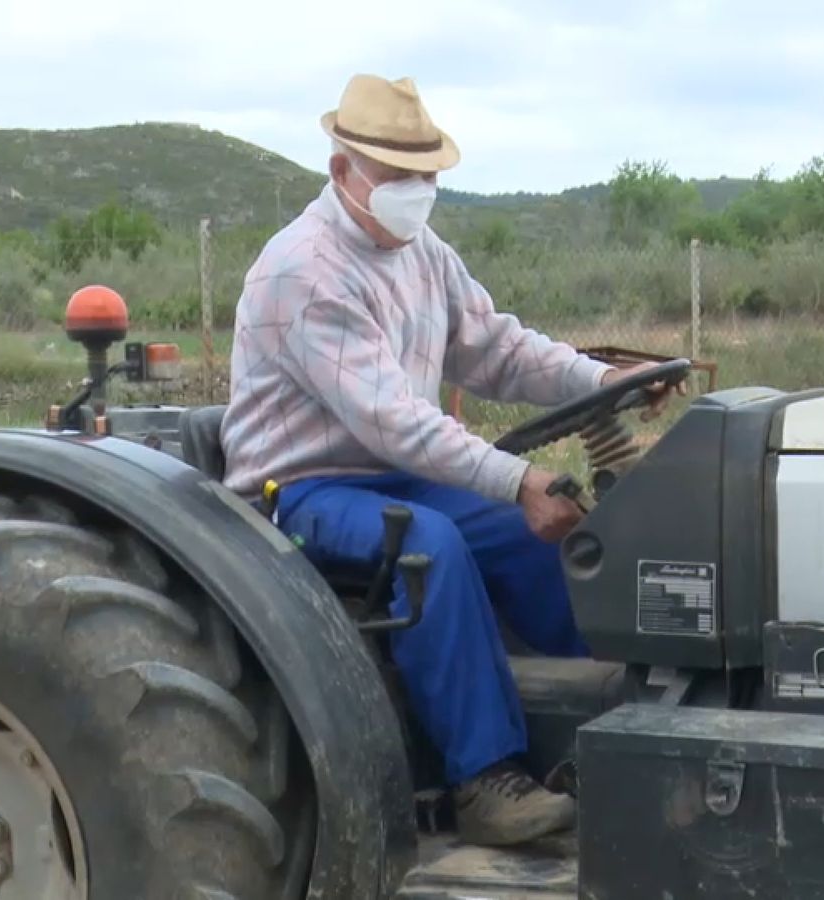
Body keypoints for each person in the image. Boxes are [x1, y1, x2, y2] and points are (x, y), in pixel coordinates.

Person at [220, 73, 679, 847]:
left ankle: (614, 725)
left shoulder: (420, 251)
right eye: (398, 176)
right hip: (302, 487)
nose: (416, 191)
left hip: (390, 471)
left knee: (538, 538)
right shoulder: (303, 271)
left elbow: (498, 349)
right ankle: (484, 778)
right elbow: (393, 420)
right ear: (344, 173)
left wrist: (604, 379)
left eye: (426, 175)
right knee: (430, 545)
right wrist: (518, 476)